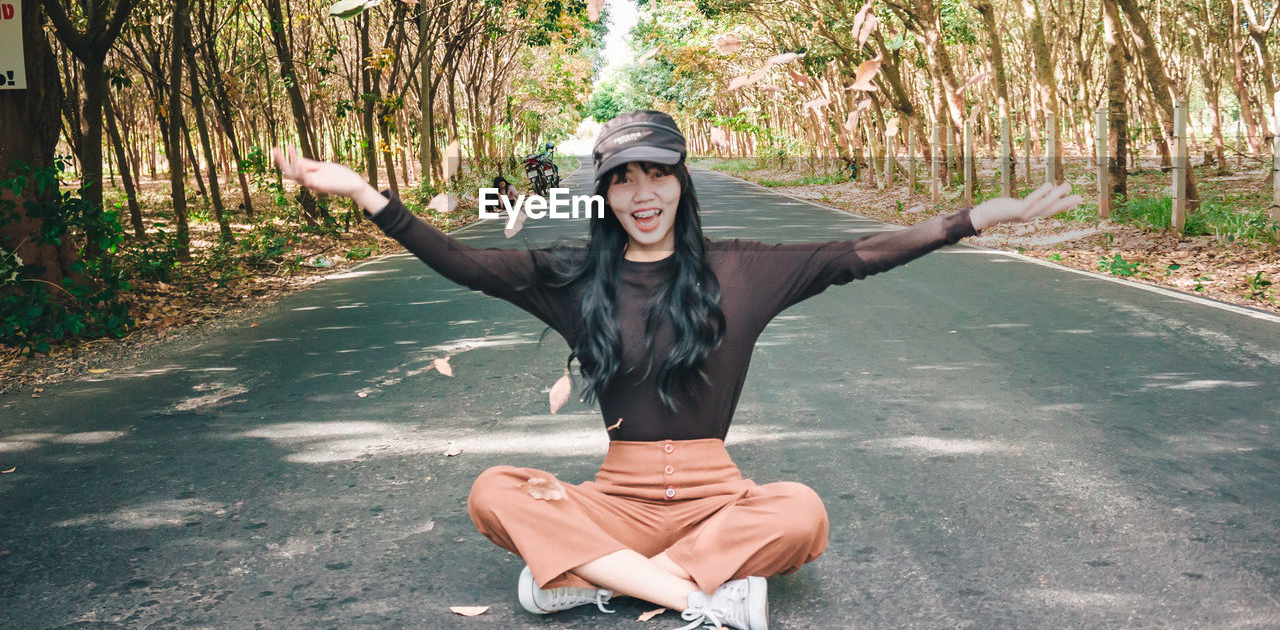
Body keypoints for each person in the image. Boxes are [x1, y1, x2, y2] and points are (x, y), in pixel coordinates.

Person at [272, 110, 1080, 630]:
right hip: (614, 497)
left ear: (681, 182)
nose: (642, 192)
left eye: (657, 173)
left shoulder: (743, 270)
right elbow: (463, 263)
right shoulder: (573, 276)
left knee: (802, 512)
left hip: (714, 494)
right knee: (493, 491)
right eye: (623, 178)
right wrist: (367, 196)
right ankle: (698, 595)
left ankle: (594, 581)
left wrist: (973, 218)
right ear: (607, 193)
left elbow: (857, 253)